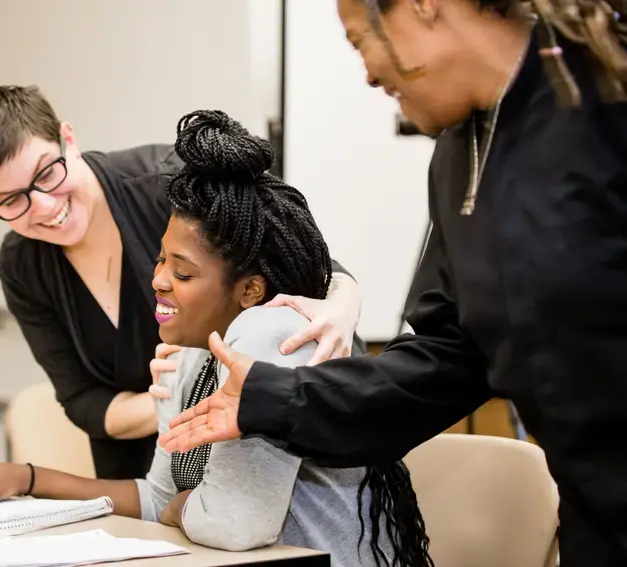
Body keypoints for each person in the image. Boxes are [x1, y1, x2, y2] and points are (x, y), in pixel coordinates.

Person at [160, 0, 627, 565]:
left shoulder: (605, 101)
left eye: (362, 42)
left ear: (424, 7)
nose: (368, 74)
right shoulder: (459, 156)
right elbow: (448, 359)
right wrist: (274, 399)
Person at [0, 110, 432, 567]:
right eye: (158, 259)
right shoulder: (191, 354)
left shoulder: (269, 337)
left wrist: (179, 507)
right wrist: (30, 479)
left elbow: (234, 525)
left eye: (183, 273)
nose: (158, 280)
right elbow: (157, 495)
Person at [0, 86, 365, 480]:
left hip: (267, 447)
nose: (43, 205)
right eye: (10, 201)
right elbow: (85, 404)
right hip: (145, 479)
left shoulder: (172, 184)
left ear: (67, 139)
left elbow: (312, 269)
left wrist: (344, 307)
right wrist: (179, 400)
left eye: (47, 173)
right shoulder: (22, 266)